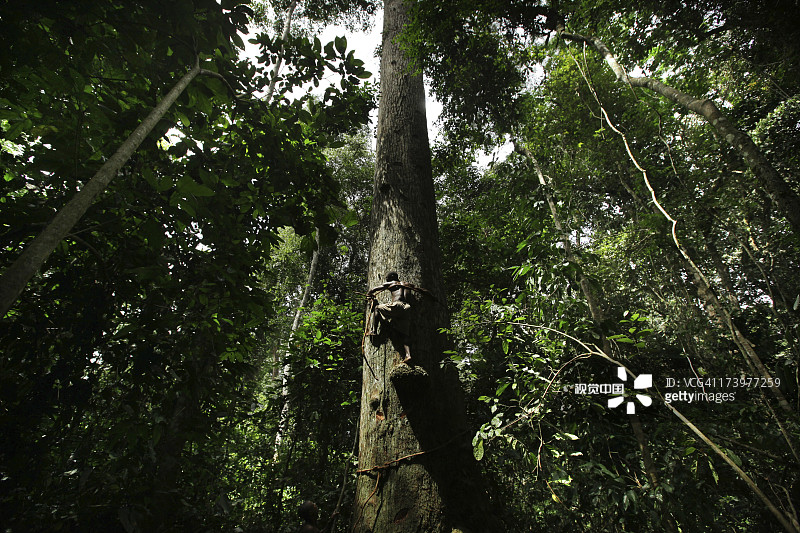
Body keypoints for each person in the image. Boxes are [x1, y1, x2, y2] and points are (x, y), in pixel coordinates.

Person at [366, 271, 433, 364]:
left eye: (387, 279)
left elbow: (373, 289)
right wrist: (432, 296)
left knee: (377, 308)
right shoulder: (408, 284)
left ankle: (373, 331)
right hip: (407, 308)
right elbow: (422, 290)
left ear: (391, 278)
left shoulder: (392, 283)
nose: (387, 280)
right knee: (405, 334)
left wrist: (369, 296)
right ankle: (408, 355)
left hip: (397, 305)